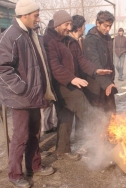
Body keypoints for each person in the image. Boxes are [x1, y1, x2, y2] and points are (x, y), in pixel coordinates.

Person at [0, 0, 56, 187]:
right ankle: (14, 174)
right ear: (25, 15)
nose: (38, 19)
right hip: (21, 98)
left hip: (34, 96)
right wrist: (22, 87)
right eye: (36, 15)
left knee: (35, 134)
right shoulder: (11, 36)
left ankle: (34, 166)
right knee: (20, 137)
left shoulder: (30, 34)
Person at [43, 10, 112, 160]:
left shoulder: (70, 41)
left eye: (70, 24)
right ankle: (103, 143)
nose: (69, 27)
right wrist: (72, 79)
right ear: (58, 24)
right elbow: (53, 66)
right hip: (60, 84)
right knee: (84, 106)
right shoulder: (49, 41)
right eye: (67, 24)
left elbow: (81, 60)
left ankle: (62, 150)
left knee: (65, 116)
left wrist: (95, 70)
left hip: (70, 81)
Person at [83, 11, 117, 114]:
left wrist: (110, 80)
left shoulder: (107, 37)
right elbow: (95, 64)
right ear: (98, 23)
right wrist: (106, 83)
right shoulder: (90, 40)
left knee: (111, 113)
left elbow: (109, 61)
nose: (108, 29)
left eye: (110, 26)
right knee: (98, 115)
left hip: (108, 80)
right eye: (106, 26)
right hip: (96, 84)